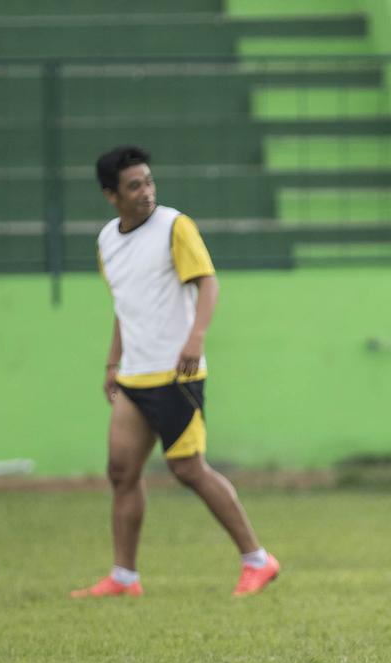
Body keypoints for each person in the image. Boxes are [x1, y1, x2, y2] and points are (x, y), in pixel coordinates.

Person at [72, 146, 279, 599]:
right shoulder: (108, 239)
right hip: (134, 377)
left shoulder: (174, 226)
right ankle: (124, 578)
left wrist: (197, 337)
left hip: (177, 374)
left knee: (188, 469)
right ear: (111, 195)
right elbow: (124, 307)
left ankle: (257, 559)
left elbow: (208, 282)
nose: (146, 192)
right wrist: (113, 362)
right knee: (121, 471)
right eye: (134, 186)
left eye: (148, 181)